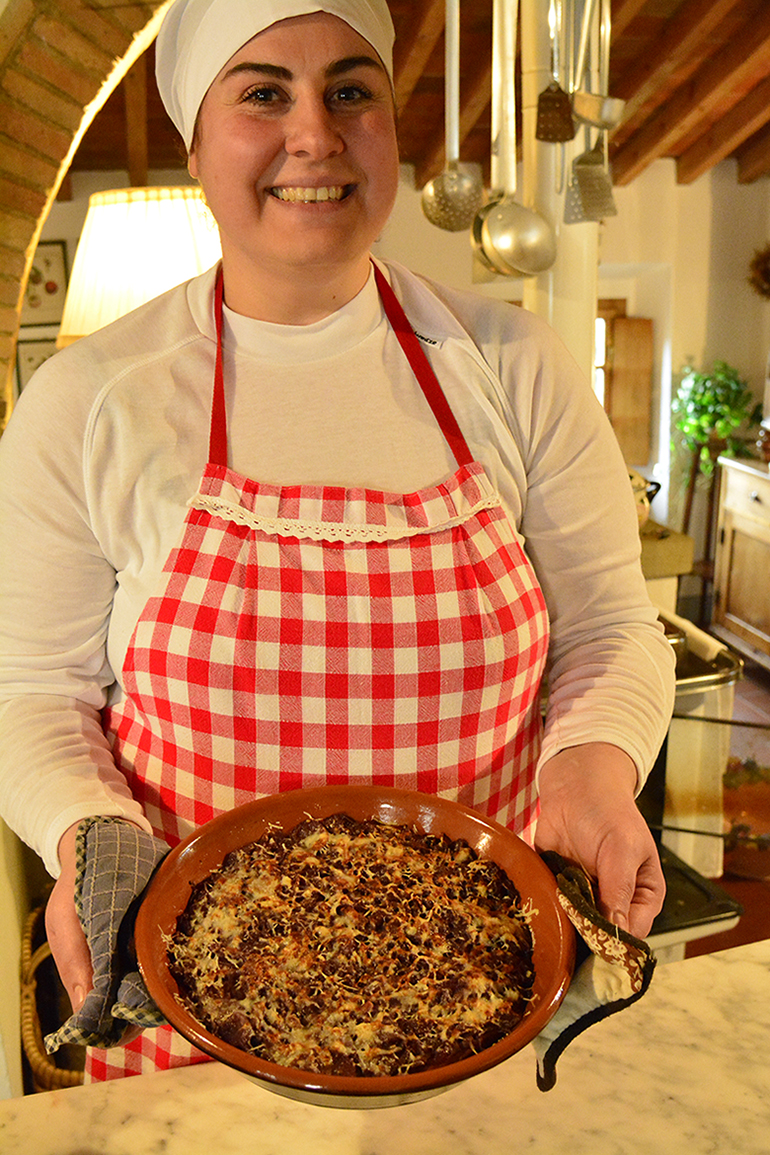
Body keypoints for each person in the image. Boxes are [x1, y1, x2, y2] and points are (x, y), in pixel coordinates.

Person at [0, 0, 674, 1081]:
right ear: (196, 136)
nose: (313, 132)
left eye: (349, 91)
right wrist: (88, 828)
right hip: (199, 998)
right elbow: (31, 687)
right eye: (262, 92)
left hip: (473, 992)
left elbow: (608, 629)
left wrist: (594, 771)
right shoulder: (90, 402)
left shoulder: (509, 361)